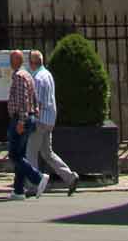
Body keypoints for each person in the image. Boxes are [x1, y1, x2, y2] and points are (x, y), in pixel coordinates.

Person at [26, 49, 78, 197]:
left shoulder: (37, 78)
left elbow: (39, 103)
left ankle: (33, 185)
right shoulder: (47, 75)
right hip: (49, 120)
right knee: (47, 153)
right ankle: (70, 177)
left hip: (40, 120)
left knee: (30, 153)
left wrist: (31, 118)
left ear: (32, 63)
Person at [5, 49, 44, 198]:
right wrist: (35, 114)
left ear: (17, 61)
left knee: (14, 155)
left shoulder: (20, 76)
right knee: (20, 154)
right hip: (28, 118)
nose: (10, 61)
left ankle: (38, 178)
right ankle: (18, 190)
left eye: (12, 59)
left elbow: (23, 100)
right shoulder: (28, 74)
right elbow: (34, 98)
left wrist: (21, 120)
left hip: (21, 119)